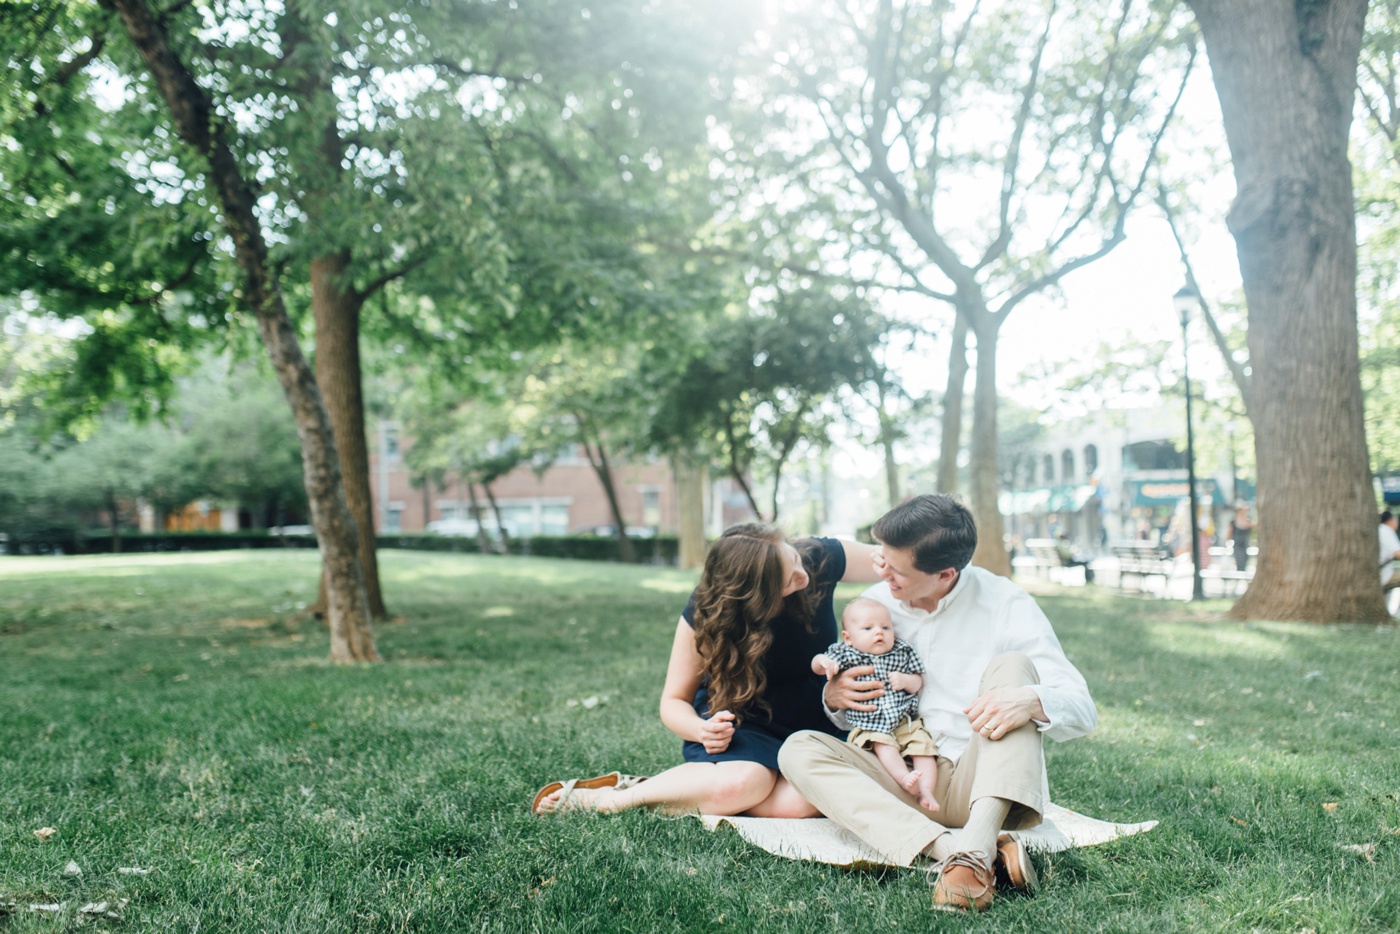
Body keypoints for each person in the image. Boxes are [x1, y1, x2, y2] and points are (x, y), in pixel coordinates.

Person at [779, 494, 1097, 912]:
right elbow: (849, 697)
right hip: (901, 778)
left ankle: (978, 841)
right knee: (798, 749)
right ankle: (962, 854)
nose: (882, 573)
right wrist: (834, 697)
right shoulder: (876, 604)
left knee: (1015, 669)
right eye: (882, 561)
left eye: (896, 570)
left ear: (945, 573)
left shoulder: (1004, 602)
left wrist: (1029, 700)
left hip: (981, 781)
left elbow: (1081, 708)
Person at [532, 522, 883, 817]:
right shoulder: (709, 612)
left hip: (813, 718)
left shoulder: (818, 558)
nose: (801, 577)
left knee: (807, 800)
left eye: (792, 557)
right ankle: (613, 800)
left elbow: (893, 563)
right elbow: (673, 701)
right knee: (745, 783)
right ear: (751, 597)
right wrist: (702, 731)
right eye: (785, 581)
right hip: (744, 725)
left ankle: (687, 789)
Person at [811, 598, 940, 812]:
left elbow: (918, 681)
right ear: (848, 638)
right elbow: (817, 662)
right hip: (870, 724)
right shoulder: (846, 653)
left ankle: (926, 791)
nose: (879, 633)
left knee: (924, 749)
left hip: (905, 721)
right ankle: (904, 778)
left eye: (885, 627)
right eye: (868, 628)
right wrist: (824, 663)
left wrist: (907, 681)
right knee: (884, 746)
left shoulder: (902, 650)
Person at [1380, 510, 1400, 616]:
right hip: (1383, 573)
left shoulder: (1381, 530)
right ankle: (1398, 614)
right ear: (1391, 520)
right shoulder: (1386, 531)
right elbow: (1398, 553)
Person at [1229, 505, 1254, 573]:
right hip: (1237, 544)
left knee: (1245, 561)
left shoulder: (1248, 520)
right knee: (1239, 561)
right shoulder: (1233, 521)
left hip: (1245, 544)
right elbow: (1229, 532)